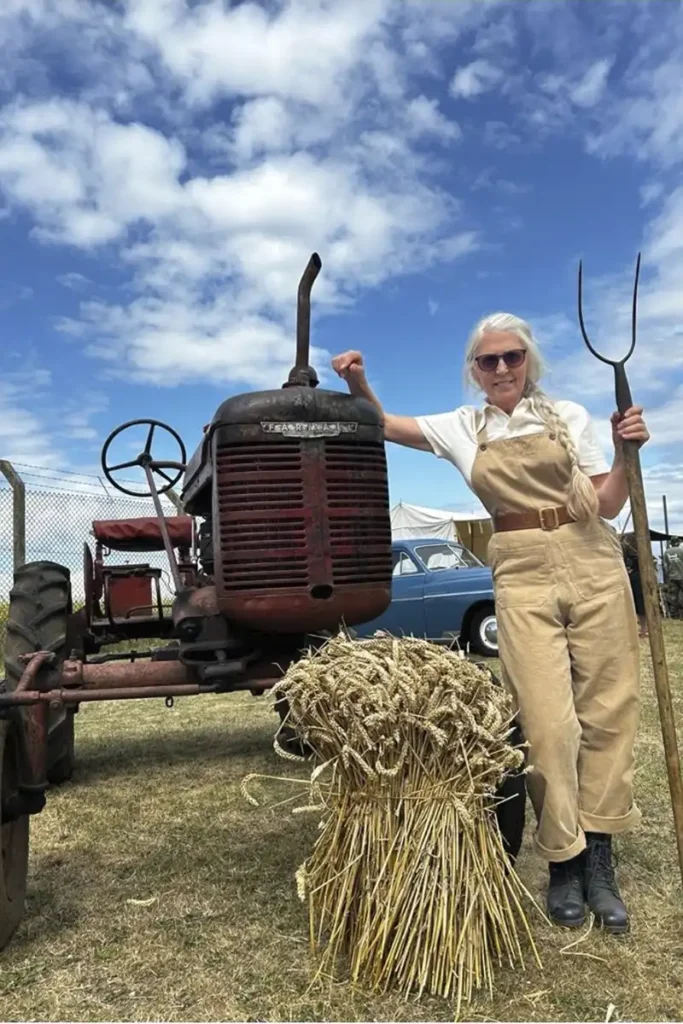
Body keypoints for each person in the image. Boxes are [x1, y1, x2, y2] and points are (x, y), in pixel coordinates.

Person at [332, 312, 650, 935]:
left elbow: (608, 502)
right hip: (521, 568)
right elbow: (385, 425)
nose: (501, 368)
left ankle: (601, 864)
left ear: (528, 360)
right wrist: (358, 385)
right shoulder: (462, 426)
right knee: (545, 723)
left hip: (592, 557)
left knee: (607, 713)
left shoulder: (573, 416)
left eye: (512, 357)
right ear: (474, 370)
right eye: (488, 360)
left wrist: (623, 451)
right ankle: (565, 859)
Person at [621, 533, 648, 637]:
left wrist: (630, 569)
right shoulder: (626, 547)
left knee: (640, 604)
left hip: (636, 579)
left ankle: (643, 628)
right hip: (631, 579)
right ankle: (642, 628)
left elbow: (638, 560)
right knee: (634, 604)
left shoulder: (630, 549)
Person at [664, 538, 683, 619]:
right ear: (678, 542)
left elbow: (665, 566)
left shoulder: (666, 552)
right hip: (682, 576)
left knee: (674, 596)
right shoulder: (681, 551)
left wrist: (668, 574)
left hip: (672, 576)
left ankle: (674, 615)